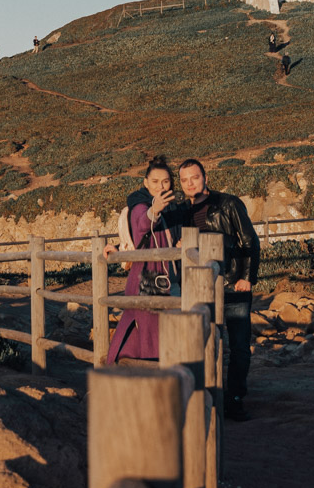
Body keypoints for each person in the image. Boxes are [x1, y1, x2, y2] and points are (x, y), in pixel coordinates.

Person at [178, 158, 260, 421]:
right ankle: (207, 399)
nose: (190, 183)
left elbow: (250, 241)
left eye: (195, 177)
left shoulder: (229, 203)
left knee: (238, 346)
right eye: (184, 180)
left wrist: (247, 277)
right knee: (203, 343)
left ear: (205, 177)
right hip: (200, 288)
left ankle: (234, 400)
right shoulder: (182, 211)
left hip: (233, 284)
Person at [106, 156, 183, 364]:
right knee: (151, 337)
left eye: (165, 181)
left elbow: (150, 238)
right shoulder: (140, 205)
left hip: (168, 279)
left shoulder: (172, 208)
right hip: (148, 279)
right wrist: (154, 210)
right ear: (145, 182)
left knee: (163, 334)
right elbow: (141, 225)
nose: (161, 186)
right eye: (155, 181)